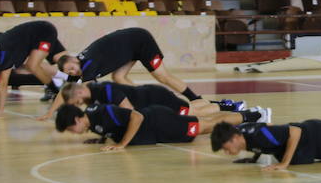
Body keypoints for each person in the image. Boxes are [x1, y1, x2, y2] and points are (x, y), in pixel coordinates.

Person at [42, 28, 203, 117]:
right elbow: (68, 88)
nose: (73, 72)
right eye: (69, 72)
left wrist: (57, 112)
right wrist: (51, 111)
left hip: (141, 41)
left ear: (74, 60)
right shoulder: (79, 63)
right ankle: (143, 103)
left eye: (72, 68)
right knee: (118, 77)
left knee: (162, 75)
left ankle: (194, 98)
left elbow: (73, 91)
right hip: (129, 46)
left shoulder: (88, 65)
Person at [0, 20, 68, 116]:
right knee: (59, 60)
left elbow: (3, 84)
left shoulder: (3, 53)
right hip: (33, 37)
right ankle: (65, 82)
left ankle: (56, 92)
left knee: (32, 66)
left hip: (43, 31)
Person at [58, 80, 268, 122]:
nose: (79, 106)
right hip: (154, 96)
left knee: (193, 114)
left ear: (77, 94)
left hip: (156, 97)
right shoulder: (95, 92)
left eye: (76, 103)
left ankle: (253, 114)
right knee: (191, 107)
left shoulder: (104, 90)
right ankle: (232, 105)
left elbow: (128, 111)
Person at [55, 102, 219, 151]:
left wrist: (121, 144)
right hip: (155, 128)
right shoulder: (90, 119)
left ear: (77, 120)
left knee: (204, 126)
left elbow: (136, 116)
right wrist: (102, 139)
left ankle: (244, 116)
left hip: (158, 122)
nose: (74, 134)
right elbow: (110, 127)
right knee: (203, 123)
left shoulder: (104, 113)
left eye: (71, 129)